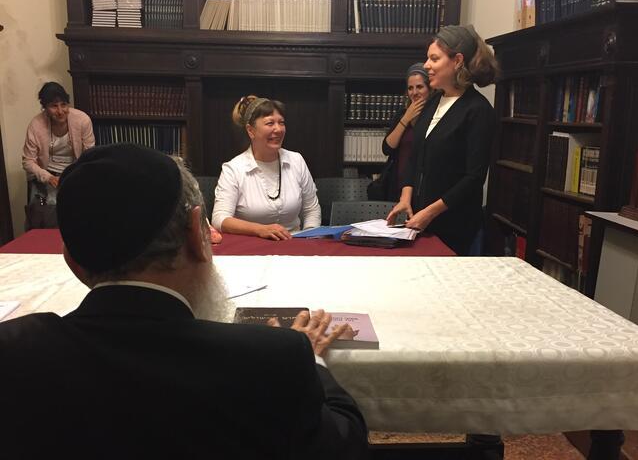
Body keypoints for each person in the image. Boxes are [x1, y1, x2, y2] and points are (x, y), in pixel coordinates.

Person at [0, 144, 368, 458]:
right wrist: (314, 358)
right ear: (198, 233)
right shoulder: (275, 356)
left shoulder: (14, 351)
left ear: (72, 261)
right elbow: (345, 444)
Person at [386, 25, 498, 255]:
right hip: (419, 222)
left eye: (434, 59)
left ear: (457, 61)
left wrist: (429, 213)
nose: (426, 66)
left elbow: (473, 178)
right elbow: (415, 157)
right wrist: (406, 197)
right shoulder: (432, 102)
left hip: (455, 228)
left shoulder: (478, 110)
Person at [212, 95, 321, 240]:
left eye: (281, 123)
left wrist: (310, 238)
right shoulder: (233, 169)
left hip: (295, 244)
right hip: (250, 248)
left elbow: (311, 209)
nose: (278, 129)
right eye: (270, 123)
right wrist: (260, 229)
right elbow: (220, 219)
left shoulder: (297, 161)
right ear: (251, 131)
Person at [22, 81, 95, 204]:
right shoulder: (36, 125)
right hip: (46, 175)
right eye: (54, 106)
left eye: (64, 104)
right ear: (44, 107)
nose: (60, 111)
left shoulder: (83, 120)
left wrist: (74, 175)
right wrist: (49, 178)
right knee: (46, 214)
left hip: (75, 173)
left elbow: (90, 155)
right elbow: (28, 161)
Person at [373, 63, 431, 201]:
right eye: (410, 88)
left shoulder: (435, 114)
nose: (414, 92)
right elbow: (387, 148)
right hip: (396, 184)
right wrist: (406, 117)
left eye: (420, 87)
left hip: (421, 187)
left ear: (430, 88)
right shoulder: (402, 114)